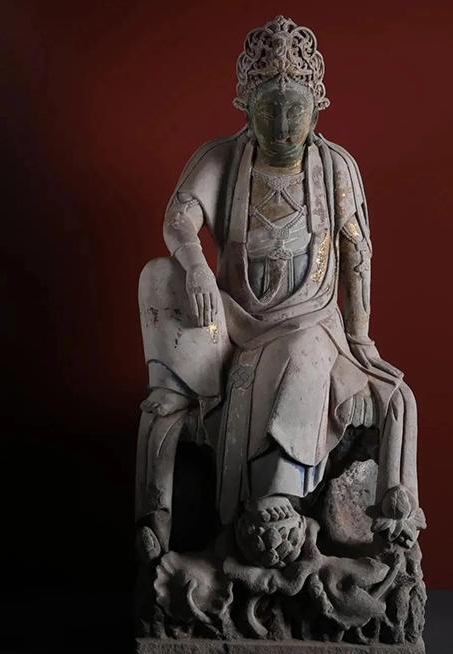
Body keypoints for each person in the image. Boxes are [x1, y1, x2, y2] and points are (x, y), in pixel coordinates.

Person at [135, 16, 418, 562]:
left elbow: (357, 255)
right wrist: (196, 266)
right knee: (158, 275)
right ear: (246, 108)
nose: (284, 126)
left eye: (296, 110)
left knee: (303, 351)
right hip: (232, 318)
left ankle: (276, 496)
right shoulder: (220, 158)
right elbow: (179, 219)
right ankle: (170, 424)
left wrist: (360, 340)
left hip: (309, 318)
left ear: (317, 109)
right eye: (270, 110)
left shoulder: (336, 167)